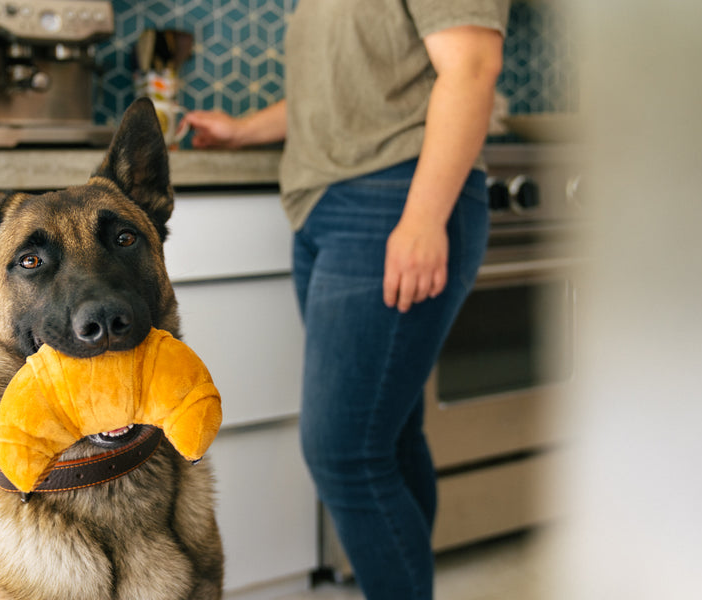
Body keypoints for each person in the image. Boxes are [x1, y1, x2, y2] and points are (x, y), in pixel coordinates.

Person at [182, 2, 509, 598]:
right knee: (389, 439)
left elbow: (473, 66)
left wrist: (423, 219)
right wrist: (246, 129)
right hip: (326, 206)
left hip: (394, 199)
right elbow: (349, 91)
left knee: (344, 452)